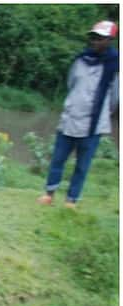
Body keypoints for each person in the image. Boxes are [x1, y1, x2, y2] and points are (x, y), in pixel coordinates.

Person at [38, 20, 119, 209]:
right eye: (93, 37)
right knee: (58, 159)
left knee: (82, 166)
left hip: (94, 125)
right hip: (71, 118)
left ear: (110, 40)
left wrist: (100, 114)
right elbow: (71, 83)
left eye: (100, 38)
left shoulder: (115, 67)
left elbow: (115, 97)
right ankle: (49, 194)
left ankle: (71, 201)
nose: (95, 41)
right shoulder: (80, 60)